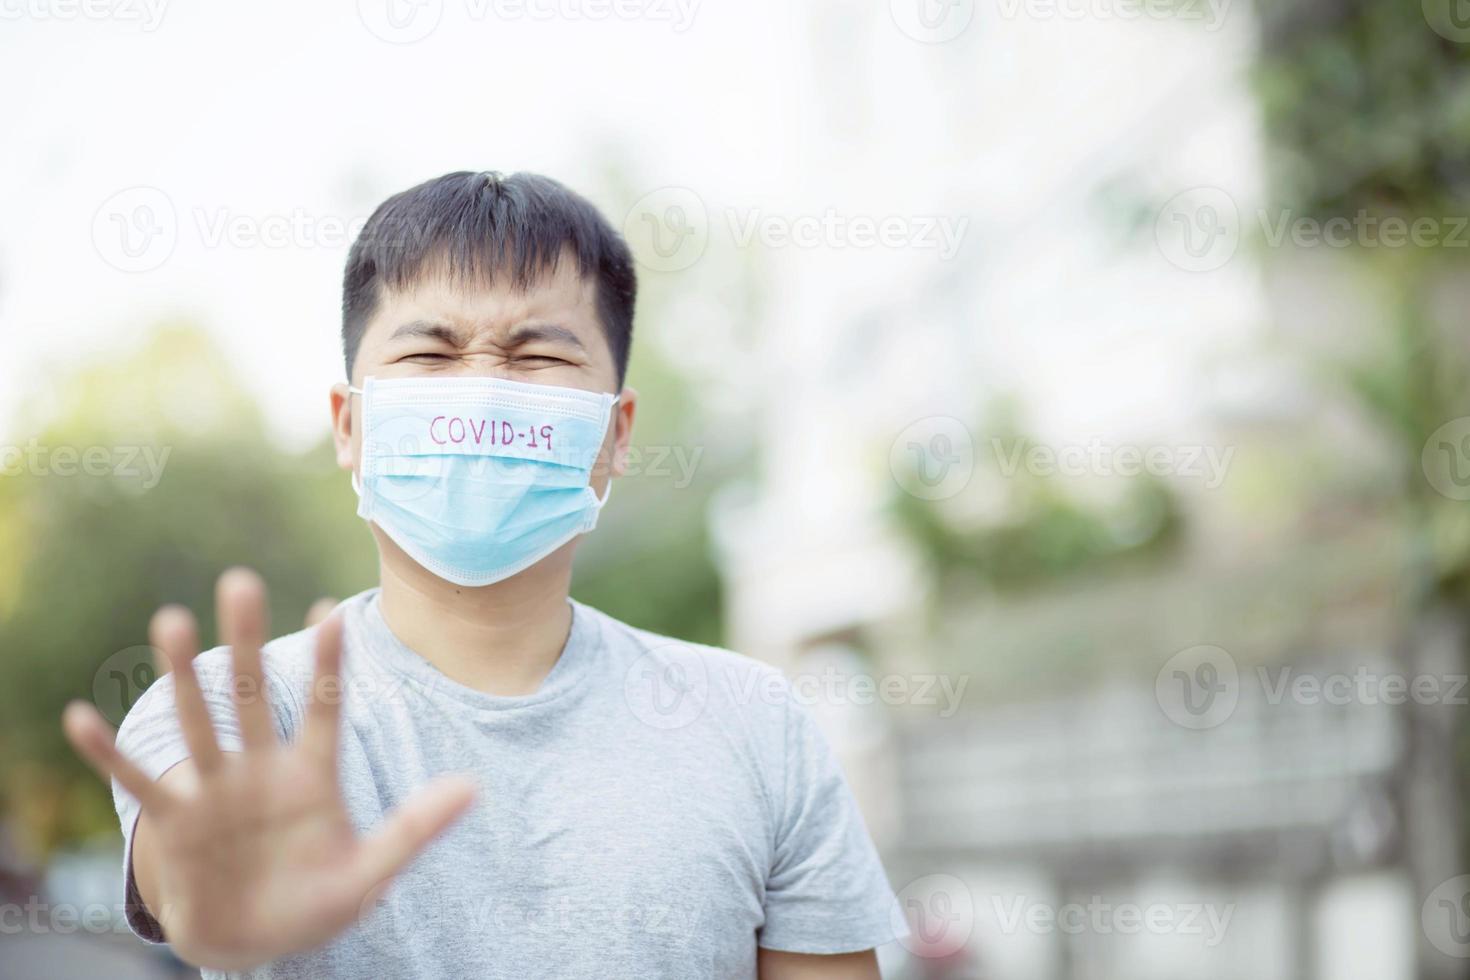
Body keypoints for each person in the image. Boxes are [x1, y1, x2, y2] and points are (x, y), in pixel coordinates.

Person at [62, 171, 901, 979]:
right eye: (431, 352)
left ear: (616, 433)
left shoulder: (756, 724)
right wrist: (217, 896)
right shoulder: (233, 710)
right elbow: (189, 879)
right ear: (350, 426)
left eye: (538, 356)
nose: (485, 394)